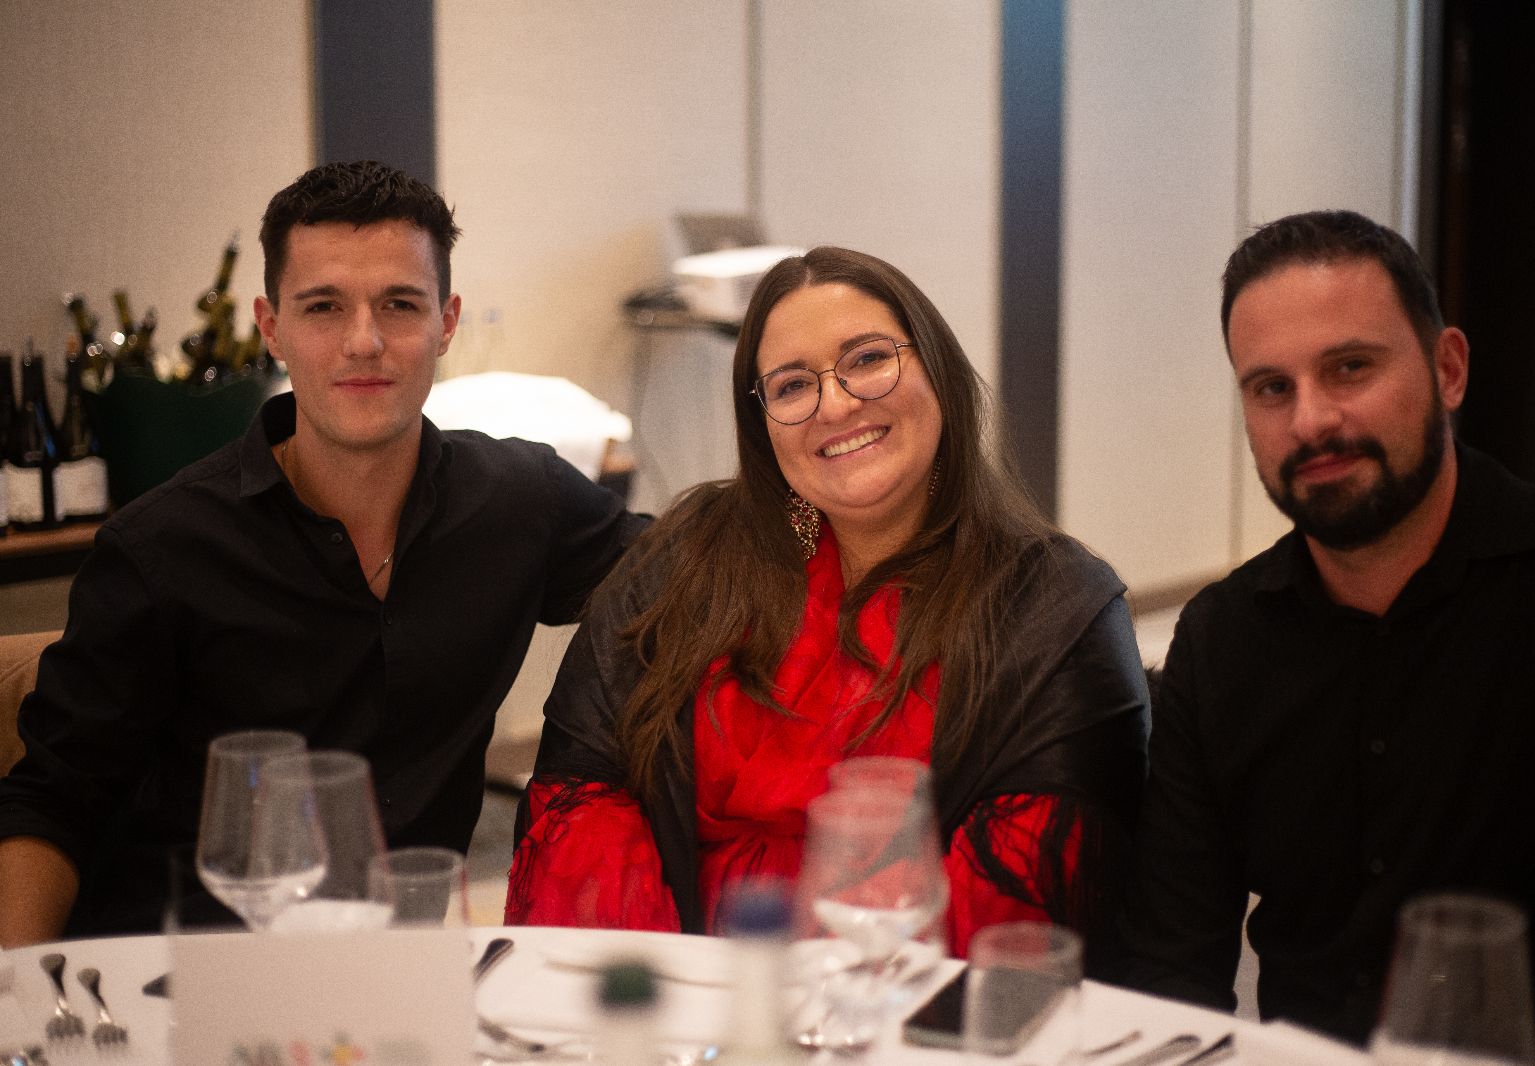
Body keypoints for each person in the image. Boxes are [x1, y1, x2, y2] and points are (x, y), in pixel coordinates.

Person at [0, 160, 647, 946]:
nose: (364, 341)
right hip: (187, 971)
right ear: (271, 327)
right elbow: (51, 802)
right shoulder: (160, 550)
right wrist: (20, 998)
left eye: (400, 305)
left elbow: (695, 572)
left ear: (446, 322)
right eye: (324, 307)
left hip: (405, 967)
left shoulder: (521, 502)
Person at [505, 246, 1149, 965]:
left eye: (868, 359)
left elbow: (1017, 905)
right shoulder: (685, 562)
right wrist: (671, 993)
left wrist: (818, 1001)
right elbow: (580, 796)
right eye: (791, 386)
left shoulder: (1055, 606)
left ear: (936, 368)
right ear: (763, 422)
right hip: (678, 997)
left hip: (901, 1004)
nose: (836, 405)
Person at [1116, 210, 1535, 1059]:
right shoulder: (1222, 641)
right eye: (1272, 388)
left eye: (1350, 368)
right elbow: (1171, 971)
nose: (1310, 421)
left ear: (1448, 369)